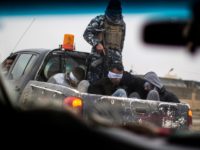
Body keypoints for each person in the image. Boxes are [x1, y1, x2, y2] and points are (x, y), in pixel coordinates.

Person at [83, 0, 126, 84]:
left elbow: (121, 43)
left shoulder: (122, 24)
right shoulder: (100, 20)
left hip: (114, 63)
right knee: (94, 84)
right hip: (99, 59)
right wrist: (96, 43)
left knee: (112, 86)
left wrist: (119, 59)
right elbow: (87, 33)